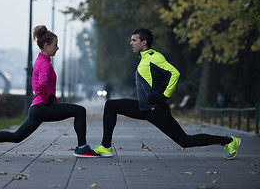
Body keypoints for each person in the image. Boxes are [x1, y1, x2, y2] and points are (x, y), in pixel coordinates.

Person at [93, 28, 241, 160]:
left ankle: (228, 141)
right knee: (111, 105)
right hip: (142, 108)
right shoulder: (144, 58)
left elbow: (174, 73)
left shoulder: (154, 57)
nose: (131, 43)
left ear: (144, 42)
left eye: (134, 40)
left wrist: (164, 96)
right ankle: (106, 147)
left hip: (155, 110)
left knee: (185, 141)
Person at [0, 25, 100, 158]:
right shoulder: (44, 64)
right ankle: (82, 148)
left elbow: (40, 83)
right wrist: (46, 98)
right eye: (55, 45)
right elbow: (42, 83)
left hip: (37, 108)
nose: (57, 48)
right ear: (46, 45)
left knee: (16, 137)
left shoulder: (41, 61)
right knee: (79, 111)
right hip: (42, 107)